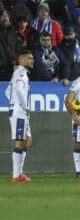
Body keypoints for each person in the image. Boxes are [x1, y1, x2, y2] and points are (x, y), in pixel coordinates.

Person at [5, 50, 34, 182]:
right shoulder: (21, 72)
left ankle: (20, 173)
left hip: (18, 109)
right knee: (20, 141)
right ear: (21, 60)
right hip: (19, 111)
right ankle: (16, 175)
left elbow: (8, 91)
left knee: (27, 140)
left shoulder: (18, 73)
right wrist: (23, 105)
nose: (32, 60)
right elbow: (17, 90)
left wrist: (13, 101)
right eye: (29, 58)